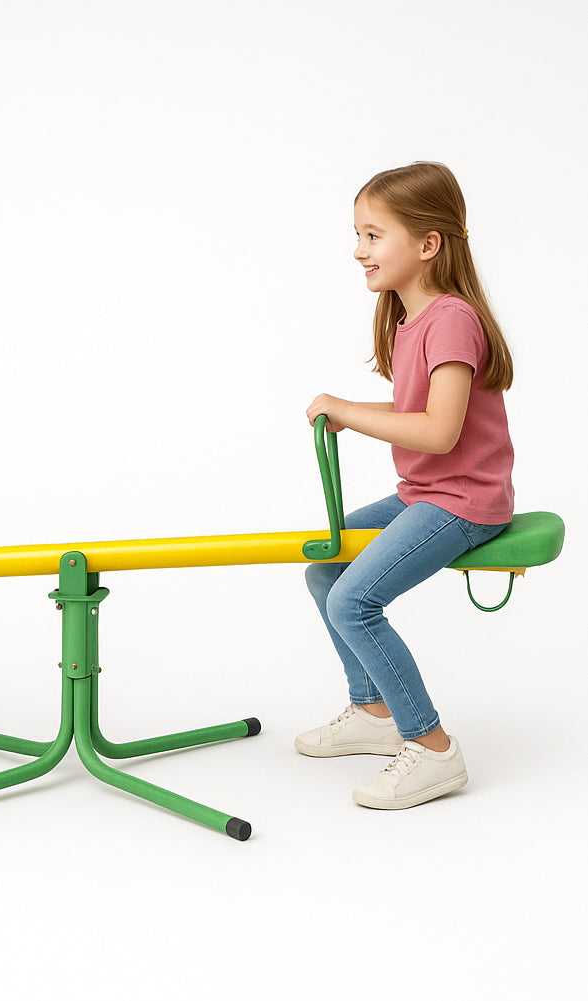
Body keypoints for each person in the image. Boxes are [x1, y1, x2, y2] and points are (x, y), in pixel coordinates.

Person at [300, 161, 514, 810]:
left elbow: (439, 431)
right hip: (425, 494)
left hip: (463, 500)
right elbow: (419, 418)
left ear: (427, 244)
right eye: (357, 235)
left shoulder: (450, 318)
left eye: (372, 235)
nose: (358, 250)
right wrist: (349, 414)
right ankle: (373, 712)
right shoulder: (408, 318)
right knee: (326, 568)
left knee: (352, 601)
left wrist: (346, 408)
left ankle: (433, 747)